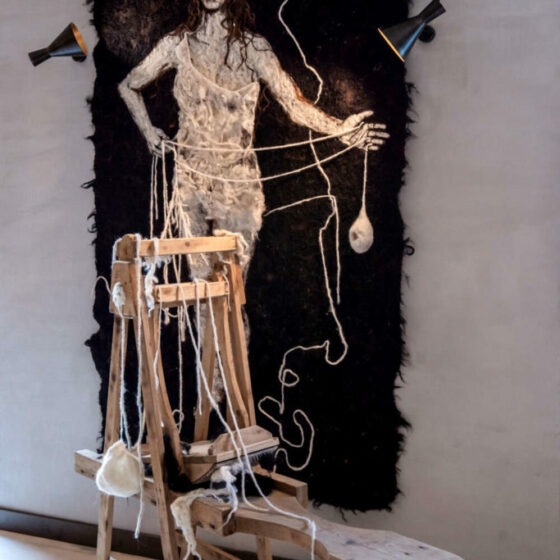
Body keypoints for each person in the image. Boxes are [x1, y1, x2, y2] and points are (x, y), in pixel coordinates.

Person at [119, 0, 389, 279]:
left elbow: (293, 103)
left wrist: (340, 130)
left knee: (232, 287)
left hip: (239, 182)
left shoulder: (254, 48)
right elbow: (128, 85)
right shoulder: (177, 44)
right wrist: (148, 132)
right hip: (191, 179)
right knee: (201, 286)